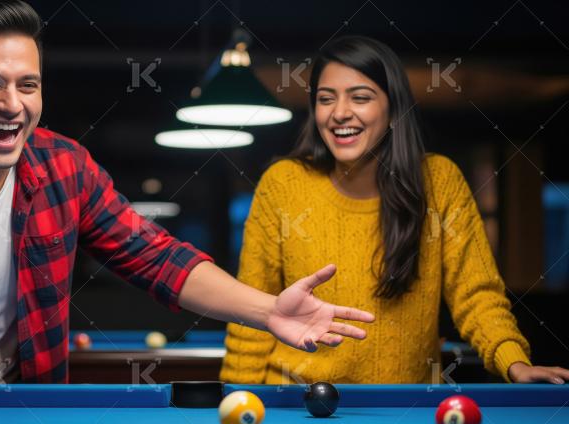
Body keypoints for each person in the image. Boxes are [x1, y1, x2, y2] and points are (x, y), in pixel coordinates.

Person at [0, 1, 375, 424]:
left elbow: (159, 260)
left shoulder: (66, 168)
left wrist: (268, 309)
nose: (13, 105)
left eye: (28, 85)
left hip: (23, 414)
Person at [220, 35, 569, 386]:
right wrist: (234, 399)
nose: (340, 112)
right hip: (294, 404)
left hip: (406, 408)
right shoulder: (282, 184)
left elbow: (477, 296)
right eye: (326, 99)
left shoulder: (440, 181)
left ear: (392, 110)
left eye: (360, 97)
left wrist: (515, 362)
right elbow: (251, 310)